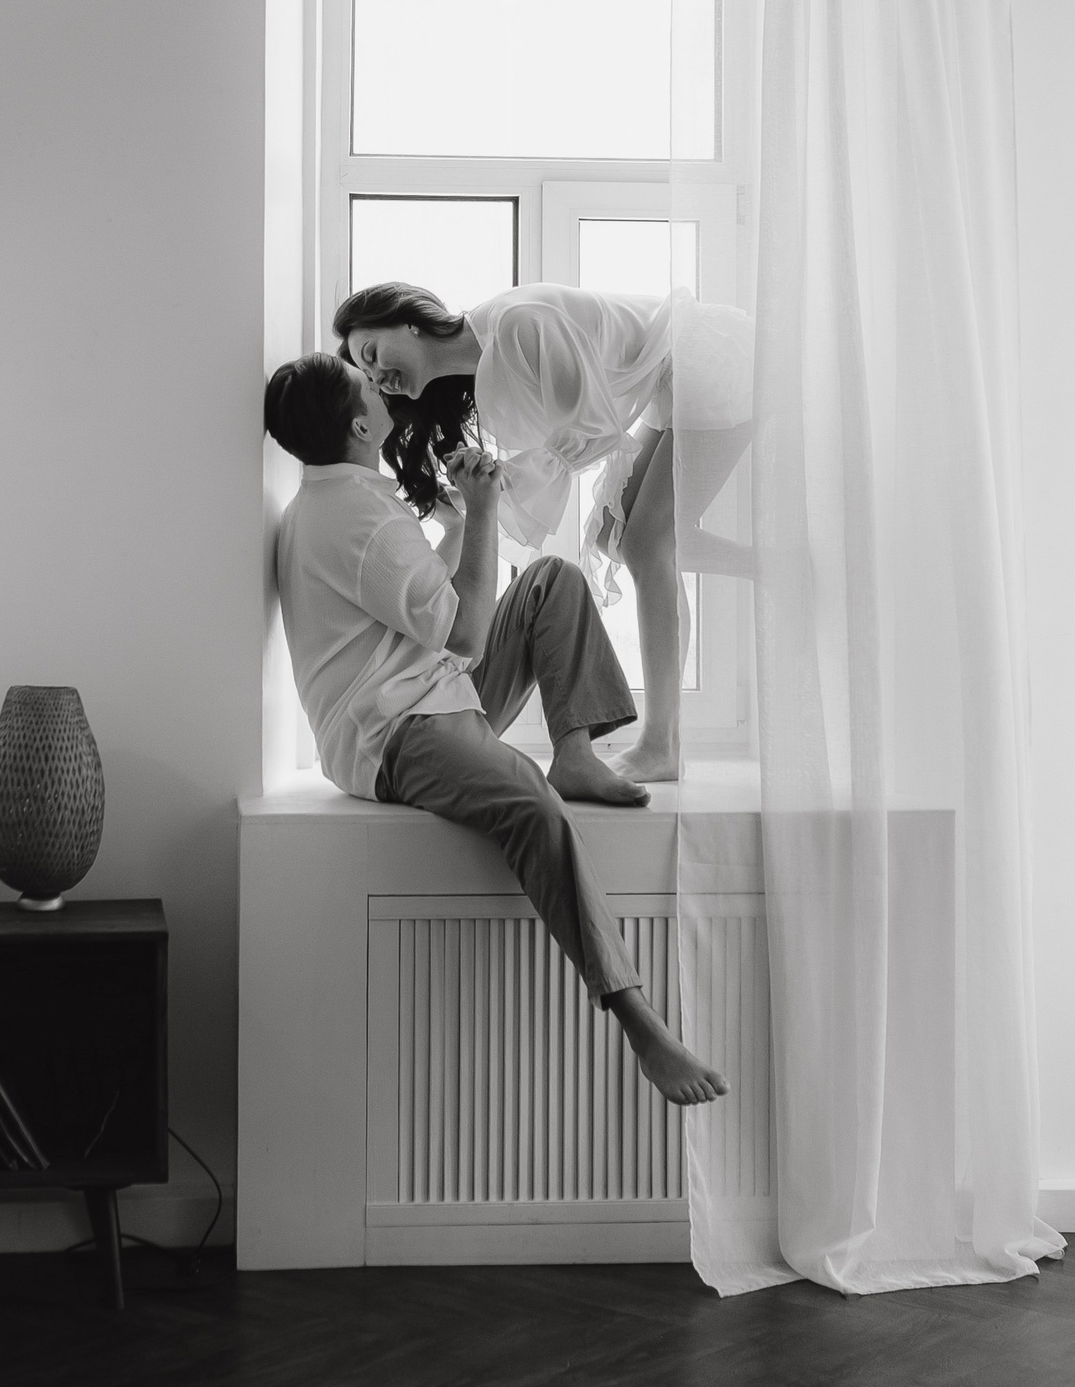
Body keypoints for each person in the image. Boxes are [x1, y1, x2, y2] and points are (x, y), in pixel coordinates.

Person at [264, 351, 727, 1111]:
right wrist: (480, 513)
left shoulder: (338, 502)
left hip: (429, 691)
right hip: (397, 730)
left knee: (553, 581)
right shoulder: (357, 519)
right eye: (367, 385)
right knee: (532, 807)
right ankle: (640, 1022)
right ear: (359, 426)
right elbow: (469, 633)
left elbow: (430, 614)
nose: (380, 386)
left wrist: (455, 523)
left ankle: (573, 754)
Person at [332, 279, 753, 785]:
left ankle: (662, 744)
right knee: (613, 537)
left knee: (647, 544)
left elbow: (595, 431)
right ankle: (773, 565)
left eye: (372, 354)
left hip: (707, 359)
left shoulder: (515, 326)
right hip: (669, 378)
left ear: (408, 322)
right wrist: (481, 496)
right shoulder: (487, 362)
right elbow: (573, 442)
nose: (378, 377)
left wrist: (495, 490)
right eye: (369, 377)